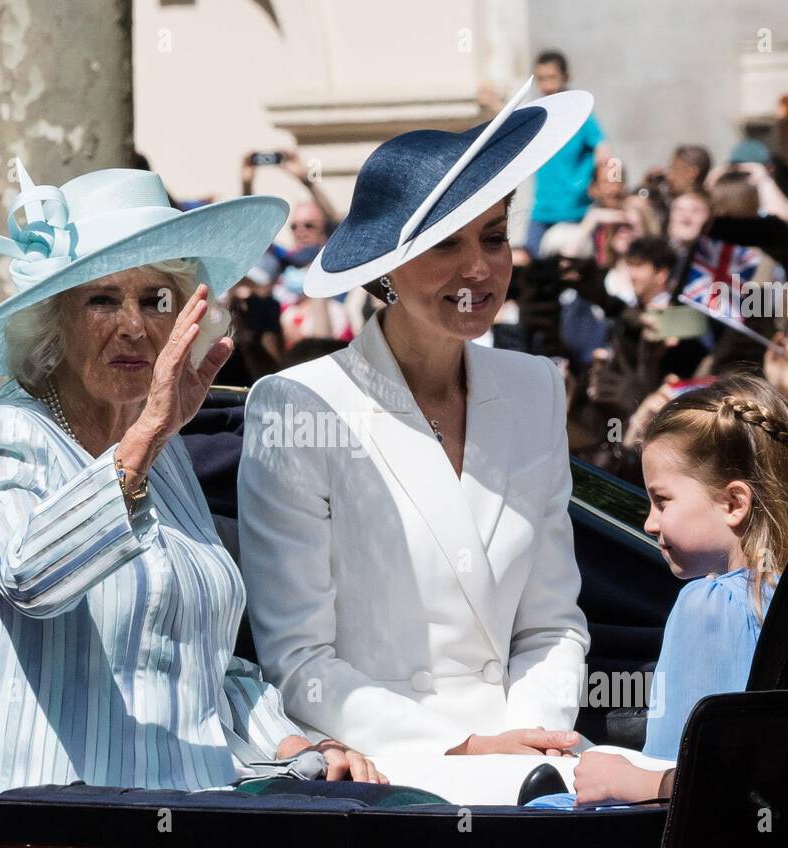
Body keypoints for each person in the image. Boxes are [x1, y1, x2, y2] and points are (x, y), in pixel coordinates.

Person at [0, 160, 380, 793]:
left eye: (155, 300)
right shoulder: (6, 435)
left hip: (204, 798)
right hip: (61, 812)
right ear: (53, 318)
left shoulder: (160, 454)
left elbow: (199, 662)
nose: (133, 326)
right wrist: (145, 440)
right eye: (102, 299)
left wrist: (299, 741)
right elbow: (32, 577)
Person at [238, 80, 596, 805]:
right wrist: (463, 748)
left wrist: (529, 741)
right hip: (388, 775)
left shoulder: (533, 387)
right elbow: (299, 660)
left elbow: (554, 623)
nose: (478, 270)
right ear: (386, 269)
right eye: (445, 245)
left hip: (537, 770)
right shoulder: (297, 404)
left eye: (494, 237)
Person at [572, 374, 788, 804]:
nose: (649, 523)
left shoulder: (710, 605)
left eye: (662, 500)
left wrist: (626, 781)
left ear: (734, 503)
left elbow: (717, 785)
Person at [525, 50, 610, 258]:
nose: (547, 85)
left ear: (565, 77)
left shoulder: (579, 114)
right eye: (541, 79)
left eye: (552, 77)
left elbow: (605, 150)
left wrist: (606, 183)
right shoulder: (538, 115)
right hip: (542, 210)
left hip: (576, 211)